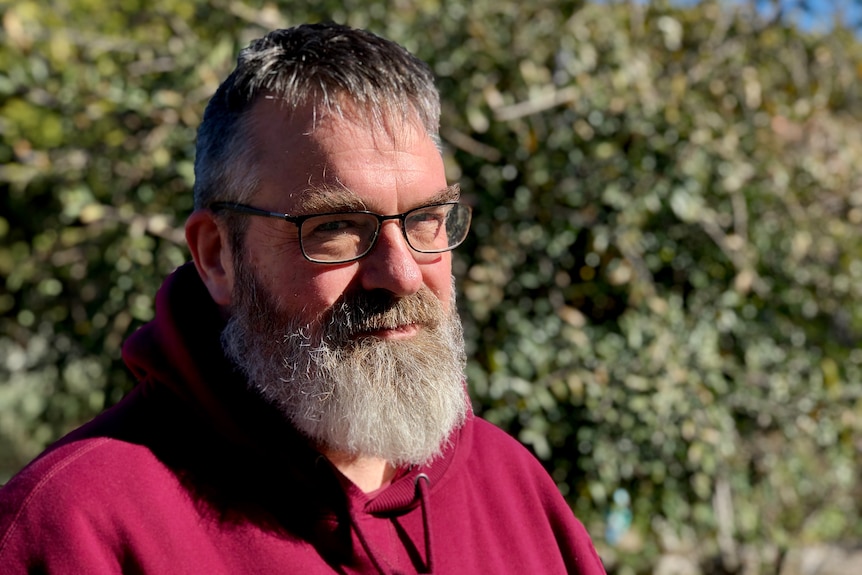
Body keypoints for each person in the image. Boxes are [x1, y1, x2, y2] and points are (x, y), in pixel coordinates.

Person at [0, 23, 606, 574]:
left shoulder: (512, 486)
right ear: (217, 255)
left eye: (425, 219)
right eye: (334, 228)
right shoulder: (74, 527)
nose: (399, 273)